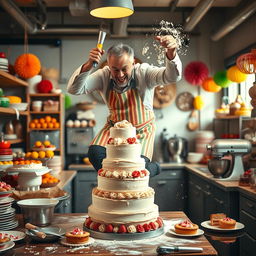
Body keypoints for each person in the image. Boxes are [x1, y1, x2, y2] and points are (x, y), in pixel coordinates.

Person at [67, 35, 182, 176]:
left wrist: (171, 54)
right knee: (95, 153)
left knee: (134, 171)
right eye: (115, 69)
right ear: (109, 66)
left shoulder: (144, 72)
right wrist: (89, 64)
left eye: (124, 69)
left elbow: (171, 77)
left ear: (133, 63)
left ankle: (152, 168)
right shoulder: (103, 75)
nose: (120, 75)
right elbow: (74, 89)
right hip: (114, 128)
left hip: (141, 131)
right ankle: (116, 181)